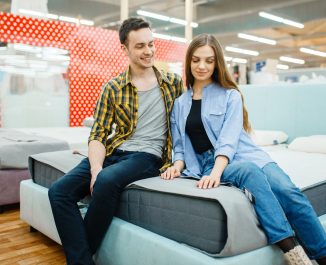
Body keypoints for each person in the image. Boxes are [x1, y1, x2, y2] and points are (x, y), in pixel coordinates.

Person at [161, 33, 326, 265]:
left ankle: (322, 255)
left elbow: (228, 141)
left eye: (209, 60)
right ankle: (294, 253)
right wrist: (176, 166)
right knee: (249, 173)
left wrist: (216, 174)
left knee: (289, 192)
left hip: (246, 156)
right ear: (188, 61)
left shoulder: (231, 96)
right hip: (207, 164)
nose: (202, 66)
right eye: (196, 59)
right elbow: (180, 145)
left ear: (217, 63)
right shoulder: (179, 104)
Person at [48, 17, 183, 265]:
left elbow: (188, 123)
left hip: (148, 156)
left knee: (107, 181)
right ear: (125, 49)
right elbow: (98, 133)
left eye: (151, 44)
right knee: (59, 192)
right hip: (115, 150)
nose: (148, 51)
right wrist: (96, 168)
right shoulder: (113, 88)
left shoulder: (172, 83)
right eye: (140, 46)